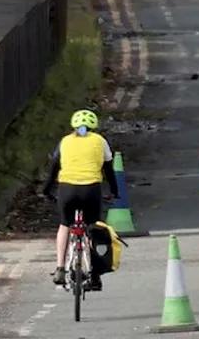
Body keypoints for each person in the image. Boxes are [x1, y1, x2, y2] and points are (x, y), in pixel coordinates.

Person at [42, 109, 120, 291]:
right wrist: (115, 192)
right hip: (91, 190)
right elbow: (109, 170)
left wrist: (46, 190)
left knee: (64, 225)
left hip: (67, 190)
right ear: (93, 127)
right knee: (93, 227)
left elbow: (53, 169)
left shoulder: (65, 142)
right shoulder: (100, 141)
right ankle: (94, 275)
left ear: (74, 127)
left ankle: (60, 268)